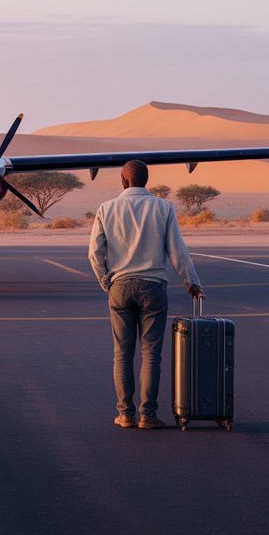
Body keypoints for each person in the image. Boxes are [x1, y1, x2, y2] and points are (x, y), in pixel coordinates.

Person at [88, 160, 204, 430]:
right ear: (146, 180)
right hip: (153, 286)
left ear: (123, 180)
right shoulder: (163, 207)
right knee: (151, 354)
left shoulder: (106, 209)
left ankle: (125, 414)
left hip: (119, 286)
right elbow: (178, 251)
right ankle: (147, 415)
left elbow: (94, 253)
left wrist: (107, 282)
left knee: (122, 354)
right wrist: (191, 283)